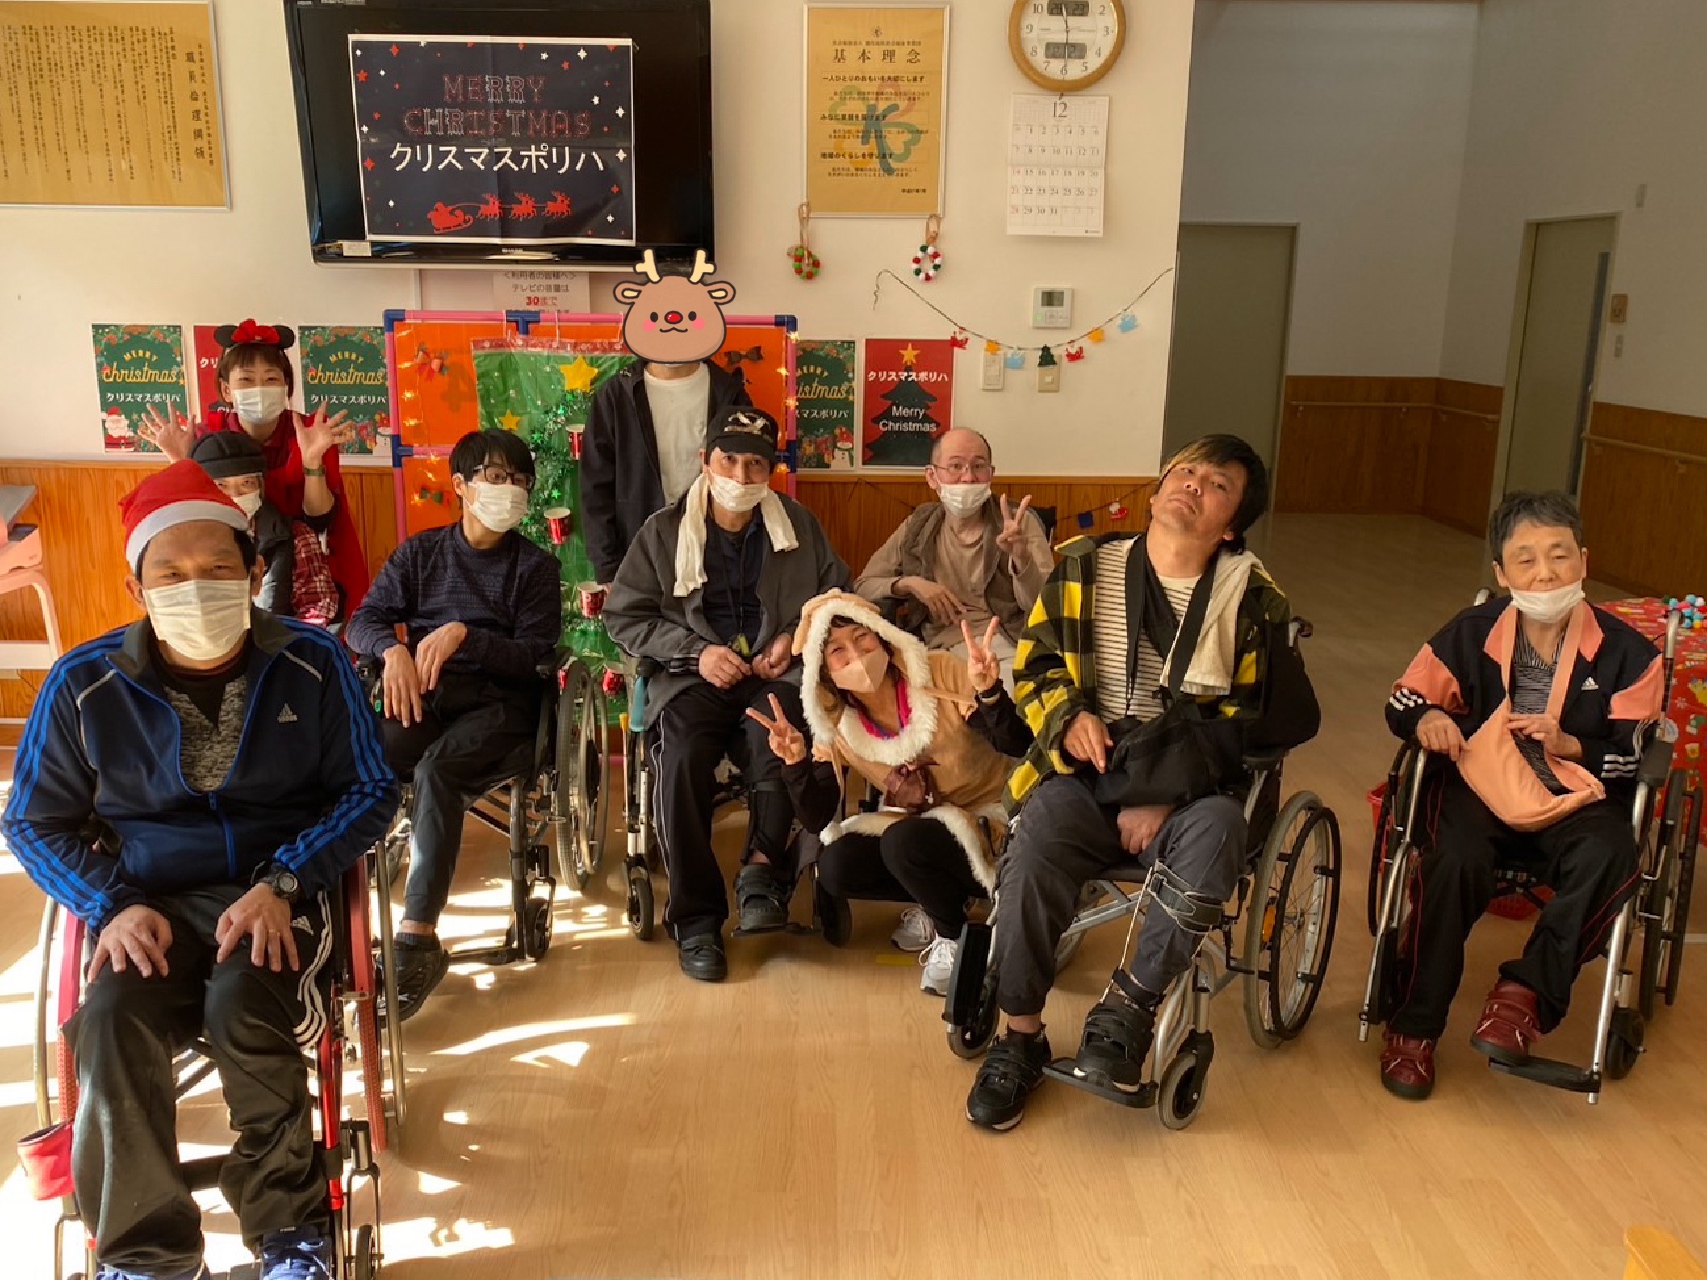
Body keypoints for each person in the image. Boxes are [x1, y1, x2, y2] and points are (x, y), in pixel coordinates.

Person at [1, 462, 396, 1280]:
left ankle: (289, 1232)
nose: (196, 588)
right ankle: (144, 1256)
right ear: (136, 587)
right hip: (145, 901)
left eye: (218, 569)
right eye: (171, 574)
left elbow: (369, 790)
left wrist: (284, 881)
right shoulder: (84, 683)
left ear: (253, 575)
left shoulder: (315, 662)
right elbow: (31, 820)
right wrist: (108, 904)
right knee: (112, 1019)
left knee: (246, 1002)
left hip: (276, 894)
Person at [964, 434, 1318, 1132]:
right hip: (1086, 771)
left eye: (1217, 484)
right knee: (1036, 838)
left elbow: (1246, 724)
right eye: (1184, 471)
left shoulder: (1252, 600)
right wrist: (1067, 717)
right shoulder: (1083, 567)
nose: (1192, 485)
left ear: (1232, 526)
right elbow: (1037, 665)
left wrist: (1162, 792)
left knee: (1220, 828)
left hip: (1191, 790)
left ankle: (1127, 1008)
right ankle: (1020, 1034)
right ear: (1157, 490)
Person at [1377, 490, 1663, 1101]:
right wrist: (1429, 716)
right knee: (1451, 858)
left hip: (1577, 796)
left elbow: (1637, 756)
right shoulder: (1472, 631)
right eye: (1526, 560)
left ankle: (1523, 998)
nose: (1545, 572)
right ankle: (1414, 1026)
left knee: (1612, 853)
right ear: (1502, 573)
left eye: (1559, 555)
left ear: (1583, 562)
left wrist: (1573, 744)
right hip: (1480, 789)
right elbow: (1404, 697)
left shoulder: (1631, 654)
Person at [604, 406, 849, 982]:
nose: (741, 476)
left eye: (756, 464)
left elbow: (836, 593)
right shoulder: (663, 531)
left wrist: (793, 638)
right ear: (705, 461)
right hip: (692, 676)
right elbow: (625, 616)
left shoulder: (798, 526)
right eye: (729, 460)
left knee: (780, 739)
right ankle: (696, 920)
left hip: (772, 673)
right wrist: (695, 652)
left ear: (772, 470)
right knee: (682, 759)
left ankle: (763, 873)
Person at [344, 429, 563, 1018]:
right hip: (426, 695)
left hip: (502, 705)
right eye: (496, 477)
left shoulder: (535, 568)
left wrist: (466, 635)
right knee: (365, 761)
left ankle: (417, 936)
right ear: (461, 485)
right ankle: (339, 923)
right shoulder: (421, 554)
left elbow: (535, 656)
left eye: (519, 480)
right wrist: (391, 651)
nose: (510, 489)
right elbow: (364, 620)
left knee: (437, 772)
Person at [746, 591, 1032, 992]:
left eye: (861, 637)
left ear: (882, 636)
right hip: (928, 830)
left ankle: (955, 938)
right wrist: (794, 766)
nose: (856, 655)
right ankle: (940, 900)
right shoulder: (837, 725)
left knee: (903, 842)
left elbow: (1016, 745)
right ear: (823, 672)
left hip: (1000, 817)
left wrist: (990, 695)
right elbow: (817, 816)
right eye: (837, 651)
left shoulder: (938, 672)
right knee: (836, 864)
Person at [140, 320, 371, 616]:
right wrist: (182, 463)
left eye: (271, 378)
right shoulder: (208, 438)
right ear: (226, 389)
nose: (259, 389)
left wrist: (312, 462)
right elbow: (195, 517)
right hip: (228, 556)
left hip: (302, 557)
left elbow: (320, 521)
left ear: (286, 387)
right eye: (247, 380)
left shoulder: (311, 432)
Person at [854, 428, 1053, 685]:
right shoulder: (919, 526)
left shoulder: (1018, 523)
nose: (968, 477)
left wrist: (1021, 559)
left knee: (1001, 699)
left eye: (978, 466)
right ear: (932, 476)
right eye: (956, 466)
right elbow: (864, 585)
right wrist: (910, 584)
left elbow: (1045, 604)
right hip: (932, 650)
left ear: (991, 474)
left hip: (1001, 645)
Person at [581, 345, 750, 588]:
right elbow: (595, 487)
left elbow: (749, 476)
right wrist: (607, 568)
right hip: (638, 554)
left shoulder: (728, 392)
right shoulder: (616, 395)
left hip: (716, 554)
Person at [191, 431, 339, 627]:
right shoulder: (185, 542)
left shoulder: (295, 535)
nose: (234, 495)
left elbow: (319, 606)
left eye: (246, 483)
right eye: (221, 485)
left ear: (260, 487)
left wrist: (282, 641)